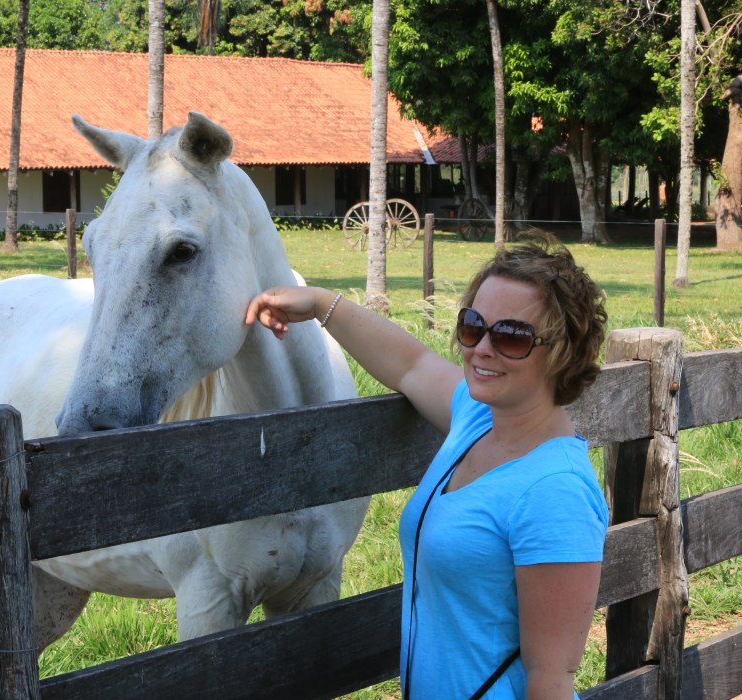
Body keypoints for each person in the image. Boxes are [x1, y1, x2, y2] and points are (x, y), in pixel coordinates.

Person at [245, 232, 609, 699]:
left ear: (563, 353)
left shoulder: (556, 491)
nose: (481, 348)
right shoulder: (479, 418)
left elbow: (551, 679)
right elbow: (410, 364)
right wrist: (319, 303)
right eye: (474, 325)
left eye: (511, 337)